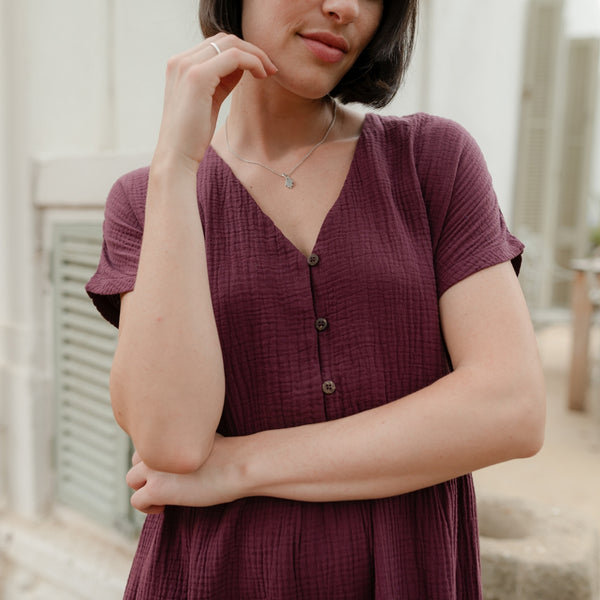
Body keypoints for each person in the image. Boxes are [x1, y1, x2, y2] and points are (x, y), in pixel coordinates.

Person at [86, 0, 546, 597]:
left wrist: (237, 467)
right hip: (218, 575)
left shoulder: (432, 160)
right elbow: (171, 441)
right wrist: (175, 166)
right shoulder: (143, 202)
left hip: (407, 573)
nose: (345, 7)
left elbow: (511, 410)